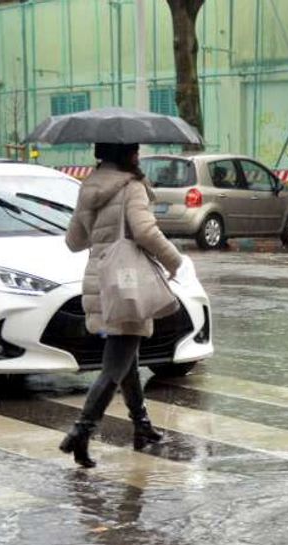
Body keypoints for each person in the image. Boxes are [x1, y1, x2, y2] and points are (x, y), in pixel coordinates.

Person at [60, 142, 184, 469]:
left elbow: (74, 241)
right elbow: (145, 231)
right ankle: (81, 432)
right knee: (115, 365)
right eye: (136, 151)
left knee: (127, 356)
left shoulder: (90, 187)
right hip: (126, 284)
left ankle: (141, 426)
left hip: (101, 281)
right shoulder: (132, 187)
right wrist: (174, 260)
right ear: (127, 154)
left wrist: (100, 226)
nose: (139, 156)